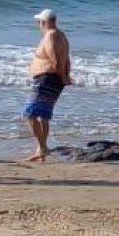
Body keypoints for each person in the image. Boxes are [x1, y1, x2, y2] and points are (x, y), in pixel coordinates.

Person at [23, 9, 73, 162]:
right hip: (54, 79)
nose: (38, 25)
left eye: (39, 22)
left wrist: (64, 77)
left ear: (43, 22)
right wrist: (66, 76)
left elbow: (54, 59)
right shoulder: (61, 35)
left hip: (47, 79)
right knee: (43, 116)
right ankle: (41, 150)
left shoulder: (51, 35)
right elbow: (67, 59)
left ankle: (43, 148)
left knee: (29, 114)